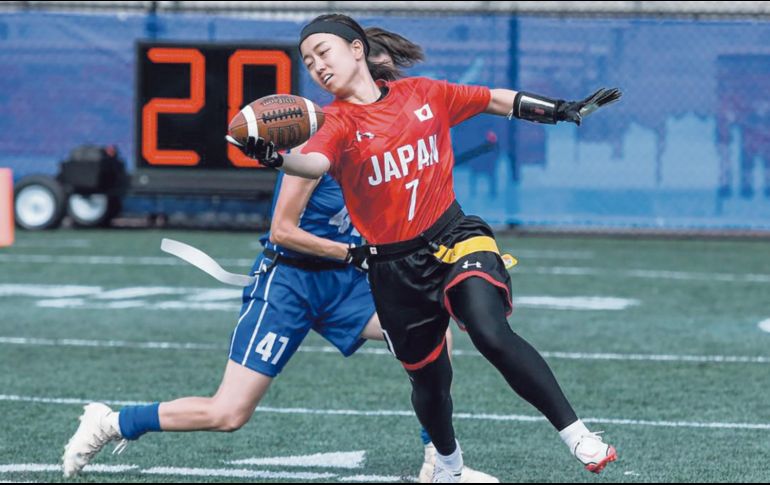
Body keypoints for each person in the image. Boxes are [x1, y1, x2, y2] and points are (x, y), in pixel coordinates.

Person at [61, 26, 496, 484]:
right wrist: (356, 253)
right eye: (313, 61)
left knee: (433, 334)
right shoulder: (321, 138)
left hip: (344, 282)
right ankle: (111, 422)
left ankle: (439, 463)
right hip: (290, 281)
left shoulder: (388, 128)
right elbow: (282, 231)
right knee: (228, 413)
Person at [235, 13, 622, 483]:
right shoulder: (333, 122)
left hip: (454, 235)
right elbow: (313, 162)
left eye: (323, 52)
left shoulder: (423, 93)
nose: (316, 65)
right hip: (393, 268)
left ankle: (577, 434)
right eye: (308, 61)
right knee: (430, 384)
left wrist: (558, 110)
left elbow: (492, 99)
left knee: (489, 330)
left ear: (356, 49)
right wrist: (279, 159)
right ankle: (448, 467)